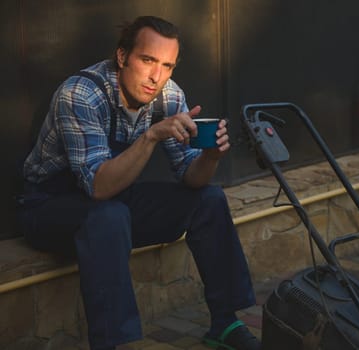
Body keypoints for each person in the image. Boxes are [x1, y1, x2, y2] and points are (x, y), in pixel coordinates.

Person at [17, 16, 261, 350]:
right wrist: (150, 137)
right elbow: (98, 186)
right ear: (122, 57)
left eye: (167, 65)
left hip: (114, 198)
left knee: (209, 200)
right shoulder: (81, 95)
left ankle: (224, 321)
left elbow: (191, 178)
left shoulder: (169, 94)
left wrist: (210, 157)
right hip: (48, 205)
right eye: (147, 60)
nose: (156, 76)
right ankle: (110, 343)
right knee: (109, 216)